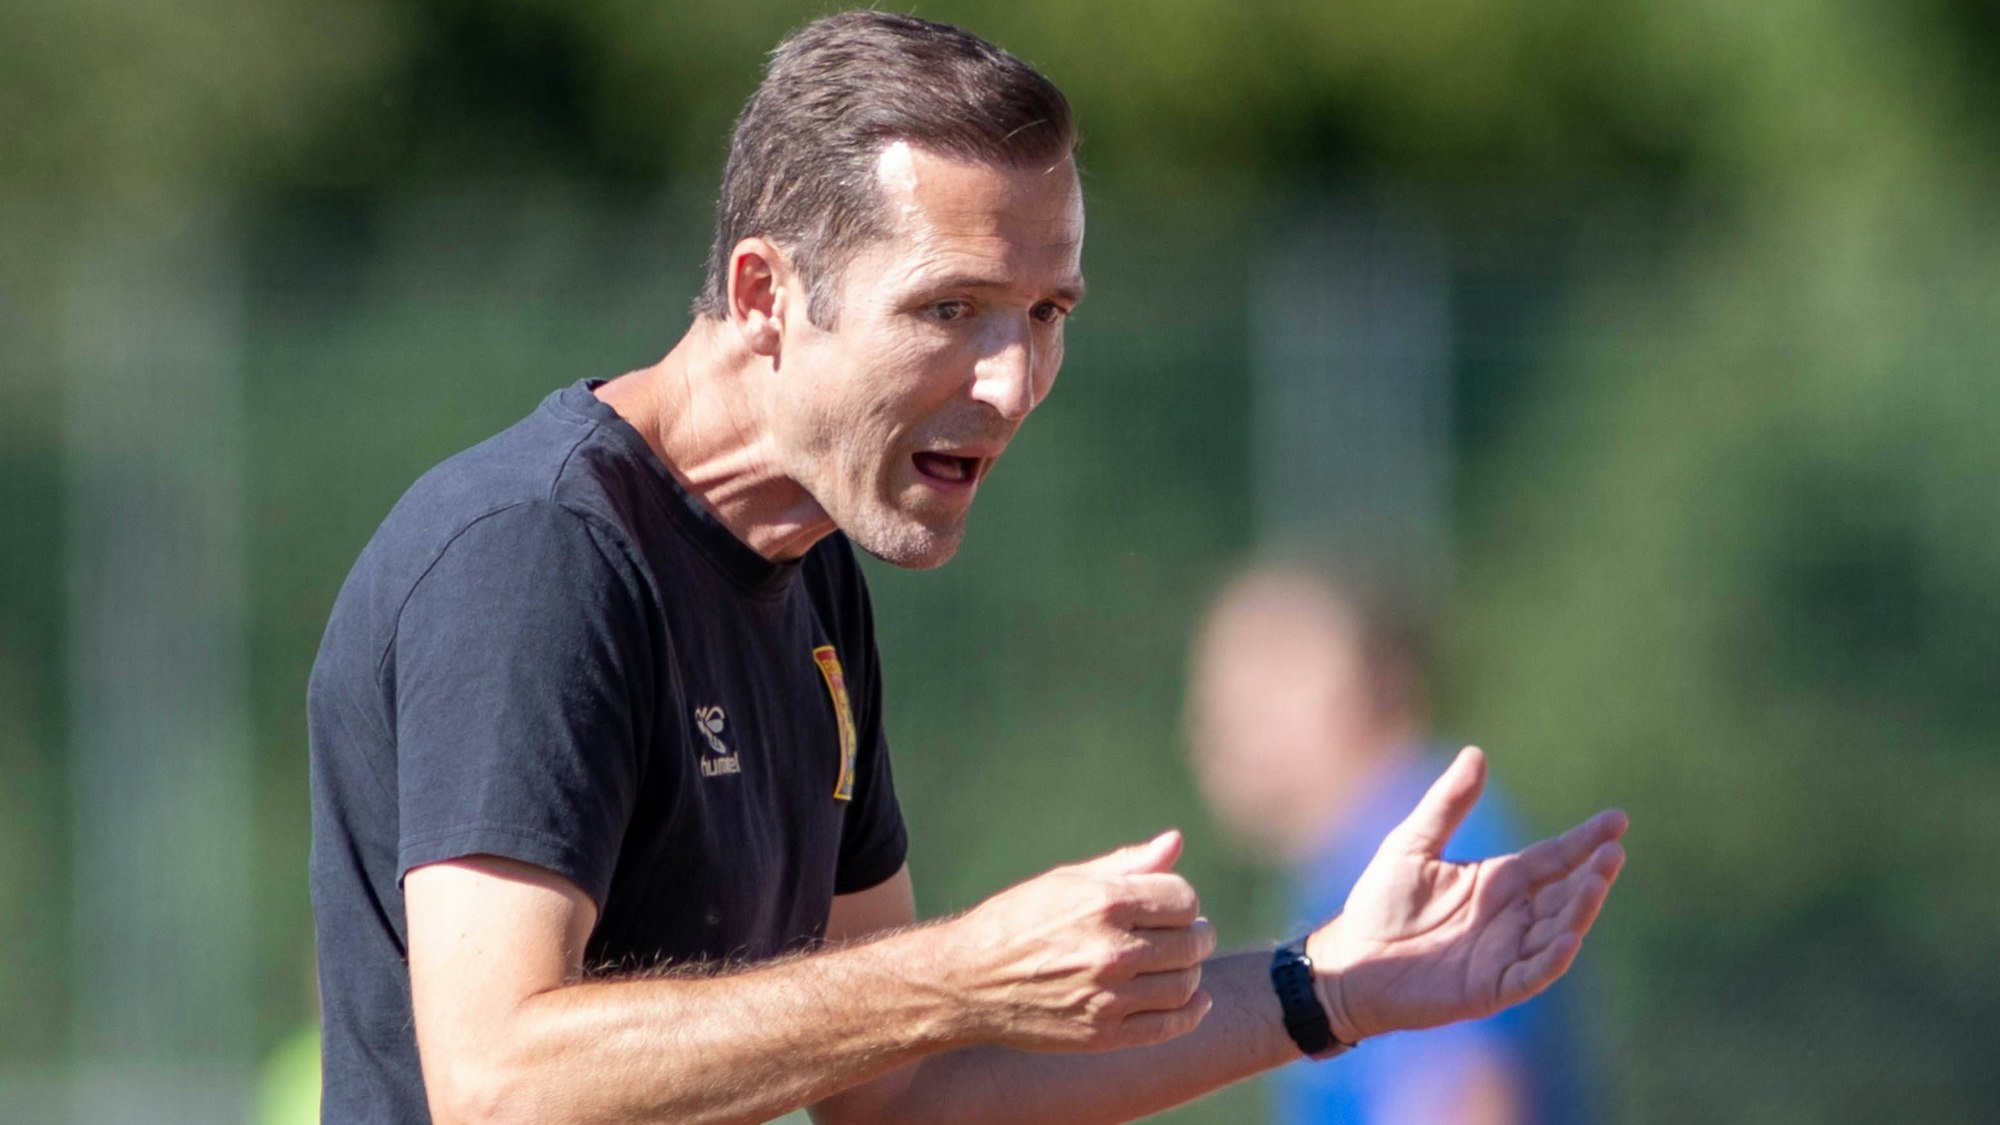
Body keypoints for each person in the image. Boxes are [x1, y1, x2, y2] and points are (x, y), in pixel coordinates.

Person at [308, 12, 1629, 1124]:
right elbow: (497, 1080)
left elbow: (903, 1095)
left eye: (1046, 313)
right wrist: (956, 975)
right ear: (767, 296)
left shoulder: (810, 571)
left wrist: (1327, 985)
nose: (1011, 382)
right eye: (948, 309)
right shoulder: (538, 555)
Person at [1188, 562, 1597, 1124]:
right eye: (1215, 680)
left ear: (1385, 679)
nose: (1232, 711)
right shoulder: (1339, 872)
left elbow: (1466, 1103)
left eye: (1275, 671)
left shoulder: (1430, 852)